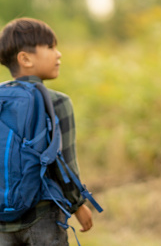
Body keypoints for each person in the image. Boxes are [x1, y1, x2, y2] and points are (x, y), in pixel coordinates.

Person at [0, 18, 93, 245]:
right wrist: (79, 205)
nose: (58, 54)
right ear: (25, 58)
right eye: (50, 47)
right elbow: (65, 163)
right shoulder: (57, 102)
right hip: (43, 216)